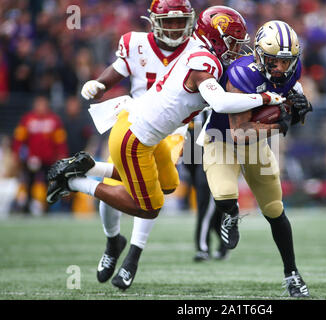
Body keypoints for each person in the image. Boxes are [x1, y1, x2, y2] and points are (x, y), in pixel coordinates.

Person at [46, 6, 285, 290]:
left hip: (150, 132)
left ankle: (90, 166)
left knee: (169, 184)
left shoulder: (199, 51)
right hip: (133, 138)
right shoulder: (202, 61)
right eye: (233, 41)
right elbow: (220, 103)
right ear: (218, 38)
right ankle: (75, 182)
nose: (237, 48)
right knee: (149, 208)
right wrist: (265, 98)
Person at [78, 0, 201, 290]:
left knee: (152, 186)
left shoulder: (198, 50)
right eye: (168, 21)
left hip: (174, 128)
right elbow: (117, 70)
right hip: (134, 122)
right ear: (154, 21)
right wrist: (99, 84)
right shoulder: (135, 43)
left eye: (179, 21)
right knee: (120, 184)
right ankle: (113, 242)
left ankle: (133, 256)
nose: (173, 27)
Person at [201, 20, 313, 297]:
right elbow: (240, 132)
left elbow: (288, 101)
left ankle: (292, 273)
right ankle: (230, 215)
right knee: (225, 194)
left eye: (286, 62)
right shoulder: (242, 73)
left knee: (274, 208)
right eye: (274, 61)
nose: (280, 68)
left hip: (256, 144)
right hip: (223, 138)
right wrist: (280, 123)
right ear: (260, 54)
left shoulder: (291, 70)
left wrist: (298, 105)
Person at [183, 112, 229, 262]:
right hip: (196, 161)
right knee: (212, 210)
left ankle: (203, 248)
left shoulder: (216, 105)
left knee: (206, 208)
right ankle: (224, 244)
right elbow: (190, 139)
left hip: (213, 159)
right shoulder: (192, 107)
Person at [12, 95, 68, 215]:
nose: (41, 107)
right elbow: (19, 138)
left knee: (49, 183)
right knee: (29, 182)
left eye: (43, 104)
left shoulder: (54, 120)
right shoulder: (28, 119)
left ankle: (47, 207)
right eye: (39, 104)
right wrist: (16, 153)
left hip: (49, 158)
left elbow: (59, 140)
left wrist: (61, 154)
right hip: (32, 159)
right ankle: (27, 206)